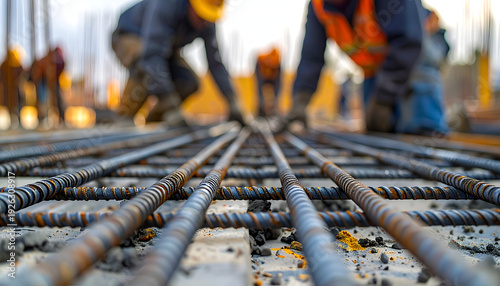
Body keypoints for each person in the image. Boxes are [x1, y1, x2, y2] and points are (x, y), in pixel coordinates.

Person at [284, 0, 423, 133]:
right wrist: (300, 102)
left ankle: (426, 127)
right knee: (377, 128)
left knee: (416, 126)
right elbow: (311, 57)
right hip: (374, 69)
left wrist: (384, 97)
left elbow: (409, 42)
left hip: (415, 51)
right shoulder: (318, 5)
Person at [111, 0, 244, 125]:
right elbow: (151, 56)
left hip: (164, 49)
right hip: (129, 37)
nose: (204, 23)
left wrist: (232, 101)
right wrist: (169, 101)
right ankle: (125, 117)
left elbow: (216, 63)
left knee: (188, 82)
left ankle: (156, 120)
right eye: (201, 16)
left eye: (208, 18)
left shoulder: (207, 22)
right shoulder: (167, 4)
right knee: (144, 64)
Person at [395, 9, 450, 136]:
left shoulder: (432, 44)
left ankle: (427, 125)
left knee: (421, 63)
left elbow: (431, 60)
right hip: (404, 125)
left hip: (427, 126)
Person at [255, 47, 281, 117]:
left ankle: (273, 109)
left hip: (274, 72)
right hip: (261, 71)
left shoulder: (277, 62)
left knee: (276, 90)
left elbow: (277, 87)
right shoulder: (261, 60)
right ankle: (260, 109)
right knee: (259, 91)